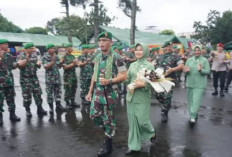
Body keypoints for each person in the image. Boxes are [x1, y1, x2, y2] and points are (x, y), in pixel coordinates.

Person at [85, 32, 127, 157]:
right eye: (100, 40)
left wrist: (110, 81)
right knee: (94, 115)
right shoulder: (97, 57)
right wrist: (90, 91)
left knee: (108, 118)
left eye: (104, 40)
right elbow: (94, 74)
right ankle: (109, 130)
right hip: (98, 92)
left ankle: (108, 144)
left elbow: (124, 75)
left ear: (110, 42)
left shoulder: (116, 57)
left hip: (110, 94)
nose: (102, 42)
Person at [125, 43, 156, 155]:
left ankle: (151, 132)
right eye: (136, 50)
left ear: (145, 52)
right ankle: (133, 146)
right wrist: (119, 79)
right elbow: (127, 78)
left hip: (142, 96)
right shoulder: (132, 65)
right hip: (131, 95)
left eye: (140, 50)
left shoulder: (149, 66)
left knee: (142, 121)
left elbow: (153, 83)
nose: (138, 52)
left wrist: (142, 85)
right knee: (133, 122)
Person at [155, 41, 184, 122]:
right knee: (157, 95)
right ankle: (165, 105)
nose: (168, 48)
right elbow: (154, 64)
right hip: (159, 79)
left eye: (169, 46)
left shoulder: (175, 56)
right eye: (166, 47)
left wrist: (173, 69)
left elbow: (181, 65)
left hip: (169, 79)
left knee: (167, 96)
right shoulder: (159, 56)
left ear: (171, 47)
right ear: (164, 48)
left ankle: (165, 112)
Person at [17, 43, 47, 117]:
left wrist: (38, 64)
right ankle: (28, 110)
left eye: (34, 48)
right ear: (27, 49)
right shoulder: (21, 56)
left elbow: (37, 66)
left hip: (34, 78)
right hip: (25, 79)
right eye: (32, 48)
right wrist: (26, 58)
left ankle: (39, 108)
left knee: (38, 94)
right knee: (26, 95)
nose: (34, 49)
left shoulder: (34, 56)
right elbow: (20, 66)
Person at [183, 45, 210, 124]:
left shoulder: (204, 60)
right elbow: (185, 71)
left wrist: (201, 70)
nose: (197, 52)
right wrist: (186, 71)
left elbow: (208, 71)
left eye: (198, 50)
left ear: (201, 51)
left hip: (200, 84)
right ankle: (192, 113)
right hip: (190, 83)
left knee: (196, 100)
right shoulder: (189, 60)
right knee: (190, 100)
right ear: (193, 51)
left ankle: (193, 116)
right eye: (195, 50)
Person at [0, 39, 20, 125]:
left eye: (7, 44)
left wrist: (18, 63)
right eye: (5, 44)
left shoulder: (9, 56)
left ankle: (12, 115)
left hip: (9, 82)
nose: (7, 46)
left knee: (11, 99)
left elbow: (12, 67)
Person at [42, 44, 66, 114]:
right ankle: (51, 107)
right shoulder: (44, 57)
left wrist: (61, 63)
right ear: (48, 49)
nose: (53, 49)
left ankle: (58, 106)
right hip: (49, 78)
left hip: (57, 77)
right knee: (50, 93)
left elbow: (58, 66)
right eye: (51, 48)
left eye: (53, 48)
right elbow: (46, 67)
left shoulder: (56, 56)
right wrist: (53, 61)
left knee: (58, 92)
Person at [60, 43, 79, 109]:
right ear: (66, 48)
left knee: (74, 88)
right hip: (67, 76)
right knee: (68, 89)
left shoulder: (72, 56)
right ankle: (67, 102)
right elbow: (65, 67)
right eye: (70, 47)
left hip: (73, 75)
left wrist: (76, 63)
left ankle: (72, 101)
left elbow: (76, 65)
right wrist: (73, 63)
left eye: (71, 47)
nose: (72, 48)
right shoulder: (64, 56)